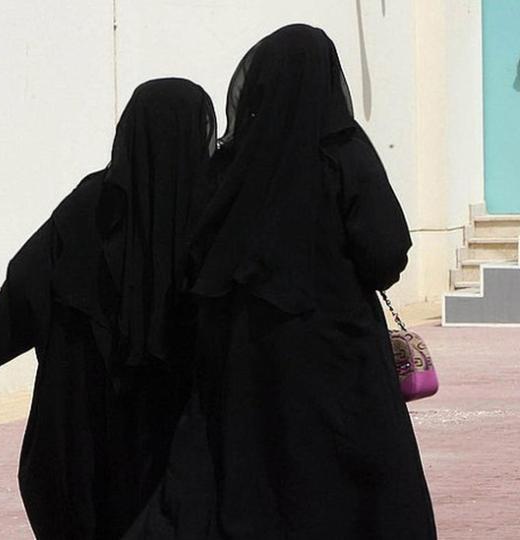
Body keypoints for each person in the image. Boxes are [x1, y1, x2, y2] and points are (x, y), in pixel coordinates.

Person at [123, 24, 436, 539]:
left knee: (257, 476)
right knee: (349, 479)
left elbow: (198, 252)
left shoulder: (234, 160)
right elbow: (385, 253)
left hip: (247, 356)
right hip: (339, 354)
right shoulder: (343, 152)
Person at [0, 78, 218, 539]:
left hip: (85, 420)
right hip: (172, 420)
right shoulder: (213, 216)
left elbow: (28, 279)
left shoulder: (89, 206)